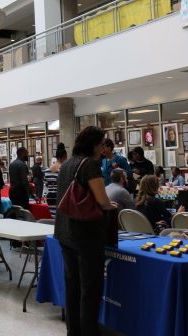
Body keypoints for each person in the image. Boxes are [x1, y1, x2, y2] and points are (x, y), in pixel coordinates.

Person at [55, 126, 118, 336]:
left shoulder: (66, 165)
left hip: (64, 232)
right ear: (93, 144)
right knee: (90, 288)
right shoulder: (90, 164)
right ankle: (89, 331)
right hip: (86, 235)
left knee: (72, 287)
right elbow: (102, 200)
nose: (103, 149)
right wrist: (112, 206)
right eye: (101, 144)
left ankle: (74, 331)